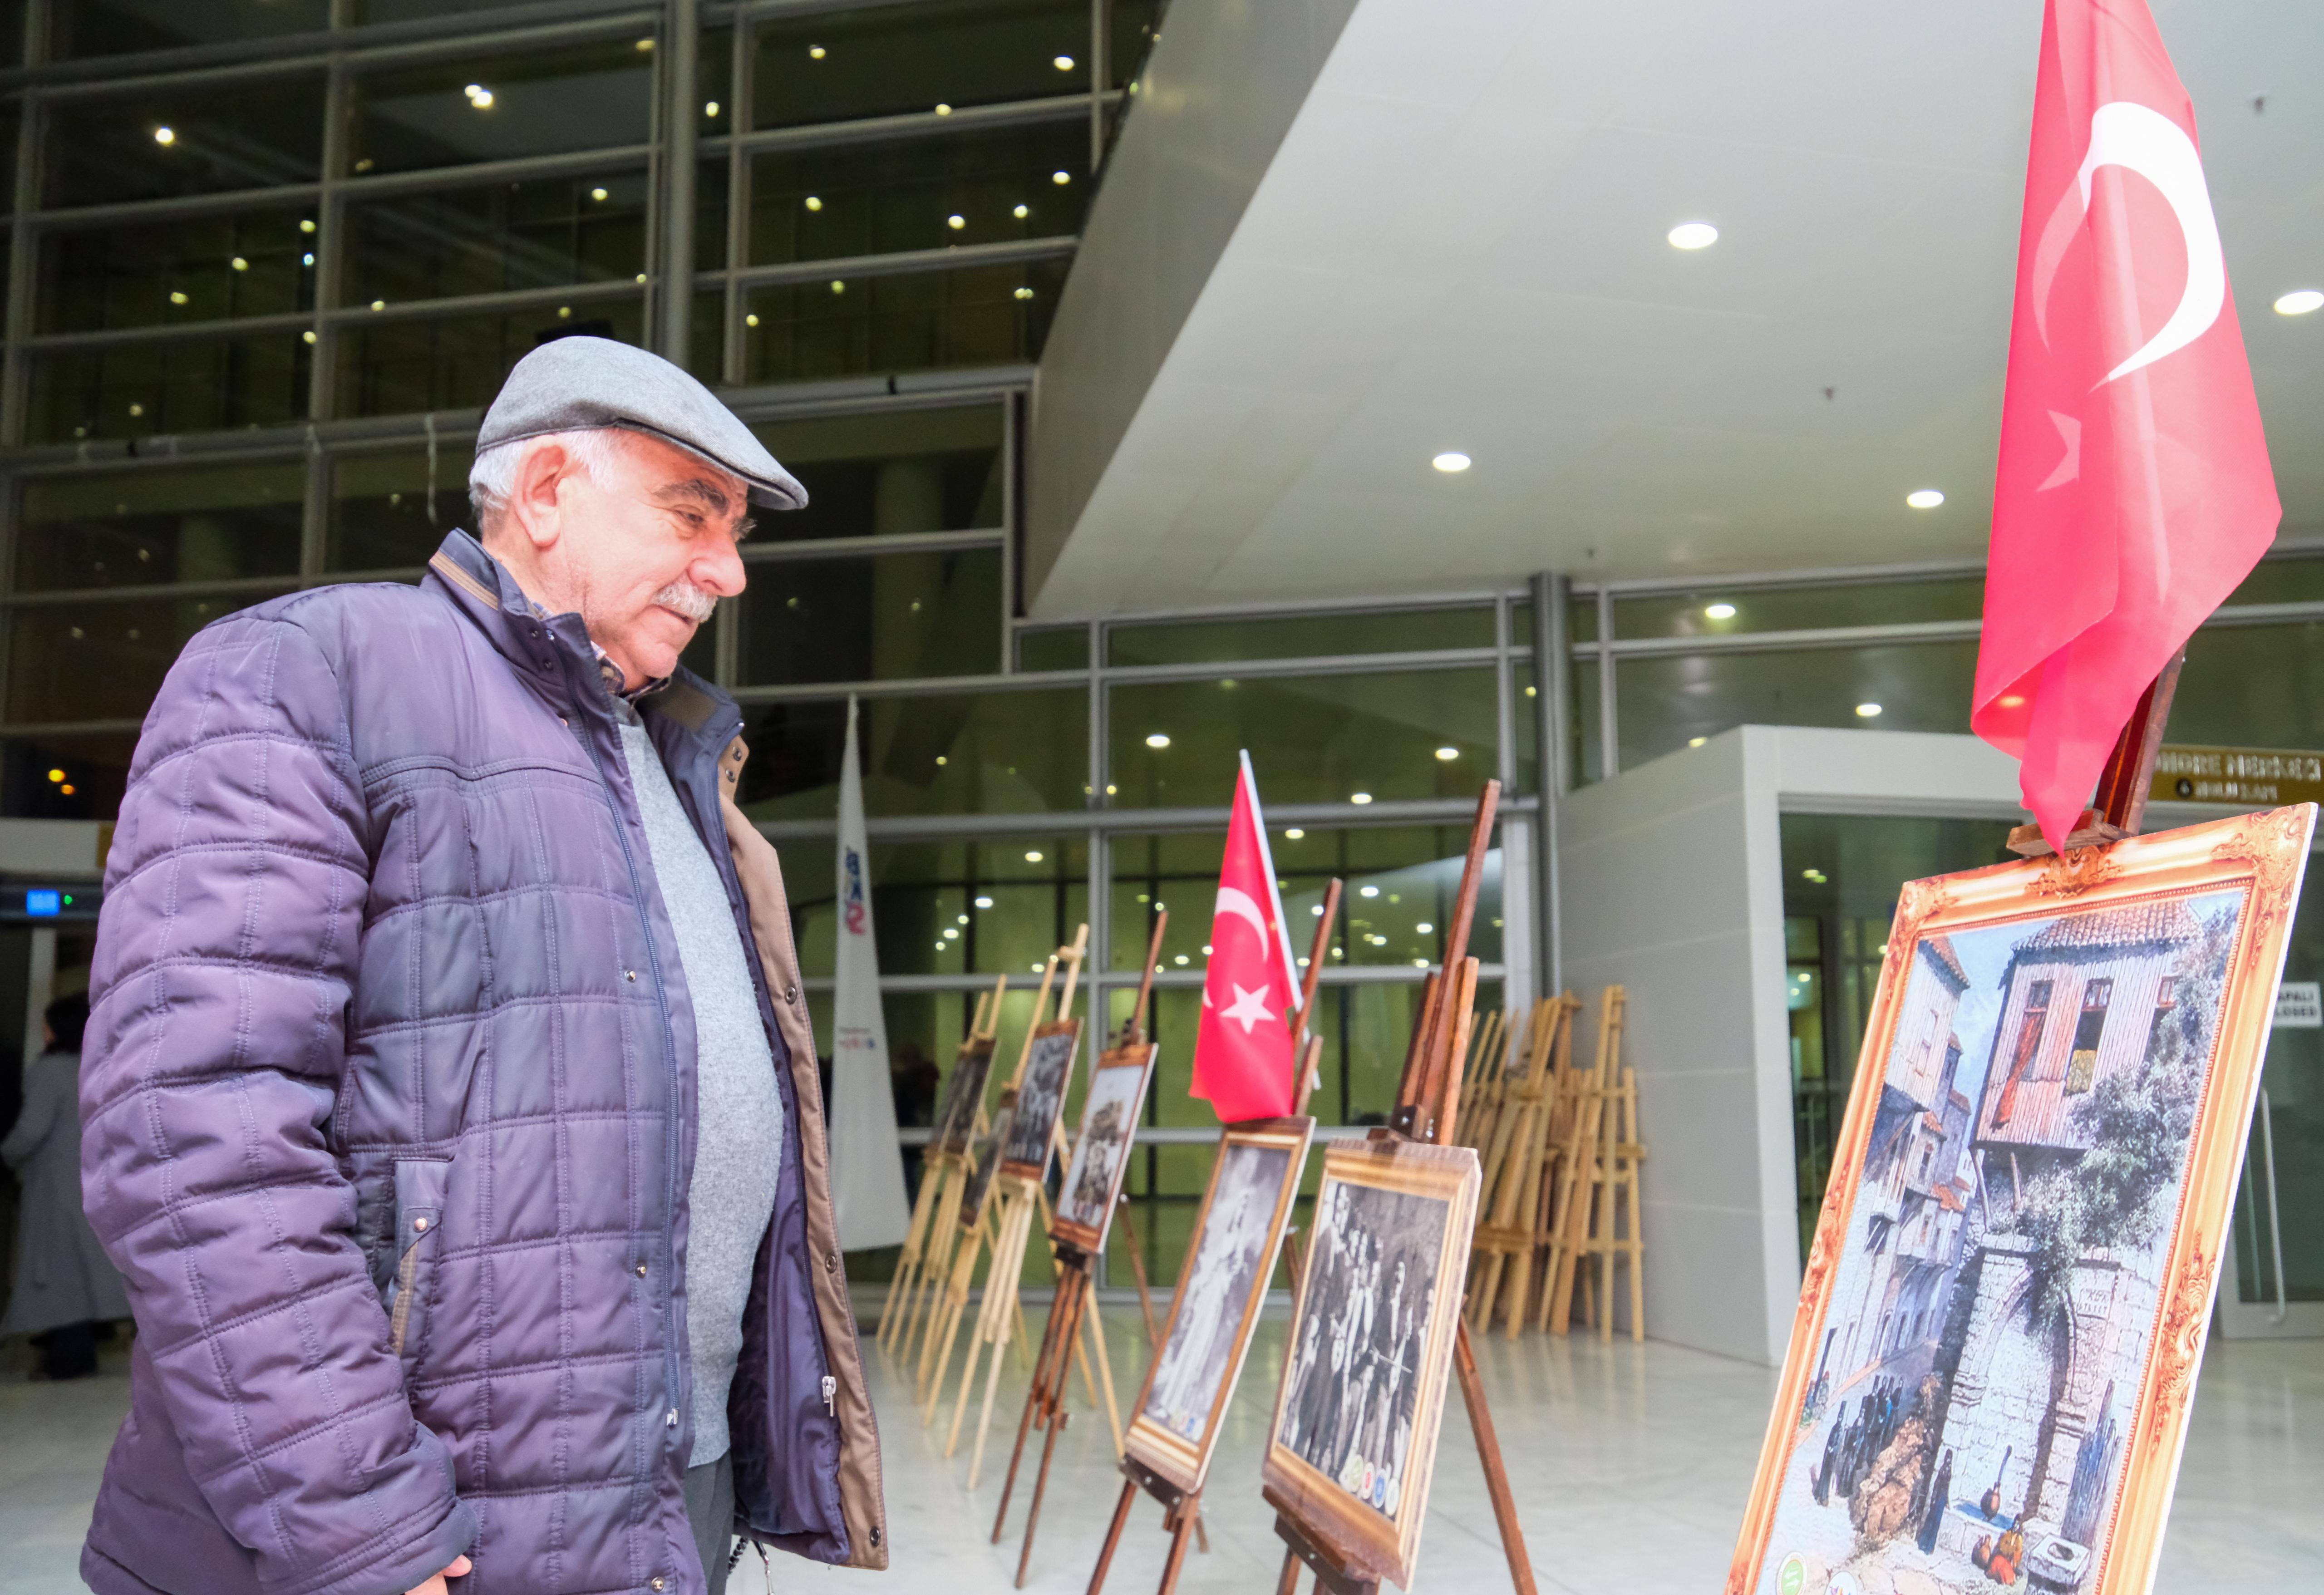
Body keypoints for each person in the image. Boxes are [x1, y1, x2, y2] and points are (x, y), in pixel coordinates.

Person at [76, 337, 885, 1595]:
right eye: (692, 515)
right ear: (548, 490)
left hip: (664, 1496)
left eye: (735, 536)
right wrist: (357, 1520)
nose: (727, 572)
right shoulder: (313, 672)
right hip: (408, 1531)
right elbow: (196, 1132)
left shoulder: (672, 757)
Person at [2, 992, 129, 1378]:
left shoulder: (50, 1071)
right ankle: (83, 1339)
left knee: (58, 1269)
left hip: (54, 1184)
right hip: (96, 1178)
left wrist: (6, 1154)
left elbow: (31, 1130)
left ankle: (69, 1352)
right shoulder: (103, 1069)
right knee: (86, 1265)